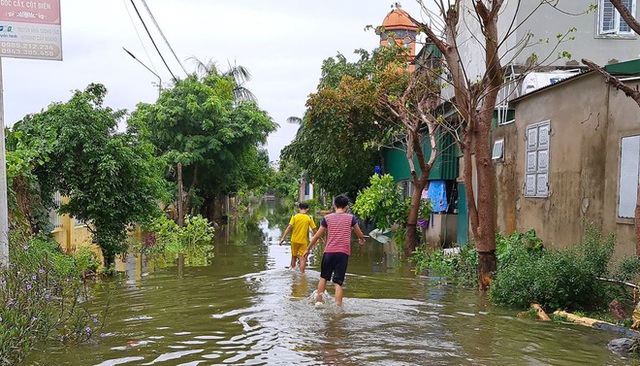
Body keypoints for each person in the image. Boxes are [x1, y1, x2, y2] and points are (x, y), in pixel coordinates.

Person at [304, 195, 366, 307]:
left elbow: (317, 235)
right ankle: (338, 308)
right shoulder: (351, 218)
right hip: (343, 254)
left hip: (329, 252)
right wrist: (361, 239)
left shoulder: (327, 218)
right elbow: (359, 232)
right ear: (346, 207)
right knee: (338, 283)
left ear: (334, 205)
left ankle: (318, 301)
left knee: (323, 278)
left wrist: (308, 249)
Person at [279, 203, 319, 273]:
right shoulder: (309, 218)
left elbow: (289, 227)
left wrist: (283, 237)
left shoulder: (294, 216)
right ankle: (302, 275)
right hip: (303, 242)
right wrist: (320, 238)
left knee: (293, 257)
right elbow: (314, 230)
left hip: (294, 240)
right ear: (307, 209)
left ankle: (292, 272)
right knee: (302, 259)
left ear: (299, 209)